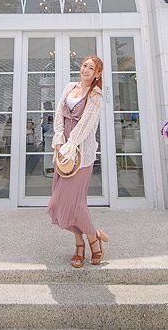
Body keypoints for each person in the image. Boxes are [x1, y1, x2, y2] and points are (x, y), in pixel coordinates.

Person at [47, 55, 110, 268]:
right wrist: (58, 140)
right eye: (84, 65)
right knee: (62, 202)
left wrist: (71, 145)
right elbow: (58, 115)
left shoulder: (96, 95)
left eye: (91, 68)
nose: (86, 70)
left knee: (71, 202)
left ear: (97, 74)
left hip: (81, 153)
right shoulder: (69, 87)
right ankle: (82, 242)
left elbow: (85, 124)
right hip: (63, 151)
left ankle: (91, 238)